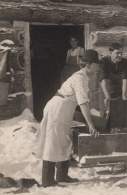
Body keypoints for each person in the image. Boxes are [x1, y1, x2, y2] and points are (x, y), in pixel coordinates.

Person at [37, 49, 100, 187]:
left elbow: (82, 101)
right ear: (88, 65)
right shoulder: (79, 78)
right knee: (52, 142)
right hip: (58, 109)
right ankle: (47, 180)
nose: (98, 67)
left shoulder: (84, 77)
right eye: (96, 64)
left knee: (64, 141)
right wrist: (90, 124)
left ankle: (61, 176)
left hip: (65, 110)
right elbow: (83, 102)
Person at [99, 42, 127, 130]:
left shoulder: (125, 62)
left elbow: (125, 79)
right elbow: (103, 79)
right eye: (117, 53)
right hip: (105, 89)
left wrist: (124, 95)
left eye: (121, 53)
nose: (120, 55)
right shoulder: (104, 61)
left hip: (118, 91)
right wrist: (107, 96)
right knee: (104, 118)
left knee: (119, 117)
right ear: (110, 53)